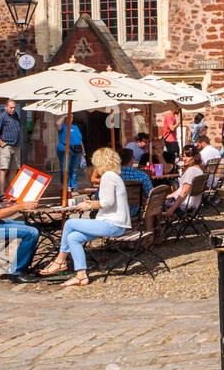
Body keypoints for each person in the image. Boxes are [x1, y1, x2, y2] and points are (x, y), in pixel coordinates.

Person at [38, 147, 130, 288]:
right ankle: (81, 276)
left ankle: (60, 261)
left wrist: (89, 206)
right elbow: (109, 201)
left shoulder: (108, 177)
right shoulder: (113, 176)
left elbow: (108, 202)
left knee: (69, 223)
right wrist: (91, 203)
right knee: (73, 237)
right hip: (113, 223)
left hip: (112, 224)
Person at [0, 99, 24, 197]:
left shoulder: (16, 115)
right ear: (6, 107)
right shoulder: (2, 116)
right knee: (3, 169)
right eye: (11, 107)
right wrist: (1, 143)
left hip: (16, 145)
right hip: (6, 146)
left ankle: (12, 192)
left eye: (14, 107)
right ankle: (1, 193)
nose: (13, 109)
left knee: (13, 169)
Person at [162, 145, 205, 218]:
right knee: (162, 200)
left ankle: (153, 228)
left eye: (187, 156)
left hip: (184, 205)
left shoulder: (191, 171)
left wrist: (172, 209)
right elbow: (182, 189)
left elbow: (184, 192)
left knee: (154, 205)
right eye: (183, 156)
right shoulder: (199, 170)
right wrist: (169, 196)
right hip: (194, 204)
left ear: (195, 157)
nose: (184, 159)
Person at [118, 148, 153, 218]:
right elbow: (150, 194)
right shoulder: (141, 175)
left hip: (113, 213)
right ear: (131, 160)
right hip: (133, 212)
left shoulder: (111, 176)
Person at [55, 113, 84, 194]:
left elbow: (80, 140)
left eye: (71, 117)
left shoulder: (75, 127)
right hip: (65, 149)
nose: (70, 119)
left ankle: (74, 186)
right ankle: (66, 186)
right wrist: (64, 116)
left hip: (77, 150)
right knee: (65, 169)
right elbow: (57, 123)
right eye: (68, 117)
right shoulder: (63, 127)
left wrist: (83, 151)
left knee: (74, 169)